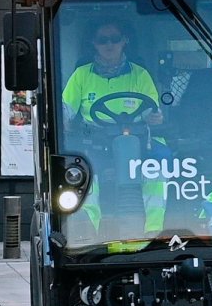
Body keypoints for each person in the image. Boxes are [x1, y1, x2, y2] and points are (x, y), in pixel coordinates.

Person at [61, 21, 167, 236]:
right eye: (102, 40)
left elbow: (151, 109)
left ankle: (154, 232)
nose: (109, 44)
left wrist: (155, 118)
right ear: (94, 44)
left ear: (124, 41)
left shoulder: (140, 75)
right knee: (84, 173)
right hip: (94, 143)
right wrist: (63, 120)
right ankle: (88, 232)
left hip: (137, 143)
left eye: (114, 39)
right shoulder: (81, 75)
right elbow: (65, 109)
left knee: (159, 166)